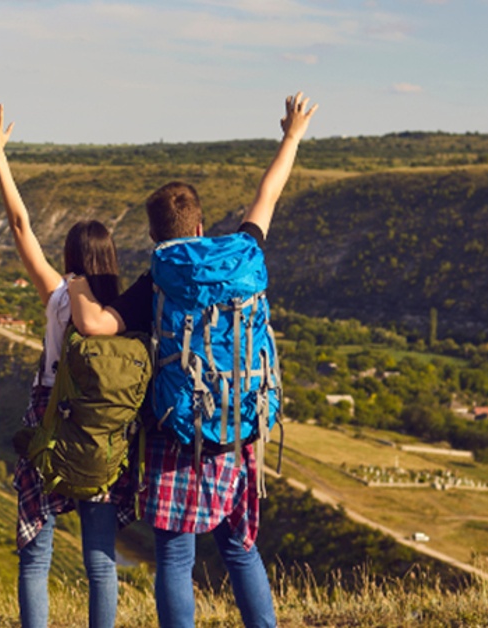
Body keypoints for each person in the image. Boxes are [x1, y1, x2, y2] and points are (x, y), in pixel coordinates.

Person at [68, 93, 318, 628]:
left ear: (156, 237)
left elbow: (95, 326)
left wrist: (78, 285)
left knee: (176, 558)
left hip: (177, 431)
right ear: (201, 224)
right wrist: (291, 134)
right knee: (240, 549)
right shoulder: (244, 253)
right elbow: (267, 194)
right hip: (239, 422)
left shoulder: (158, 277)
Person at [0, 104, 136, 628]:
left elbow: (21, 227)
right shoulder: (125, 309)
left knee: (36, 556)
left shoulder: (62, 296)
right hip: (105, 431)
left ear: (71, 258)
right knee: (100, 561)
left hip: (51, 420)